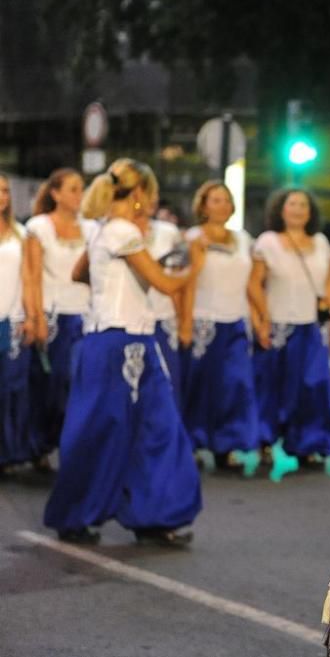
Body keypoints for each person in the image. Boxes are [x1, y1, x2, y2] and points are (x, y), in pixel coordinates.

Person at [43, 159, 204, 546]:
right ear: (137, 195)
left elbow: (78, 273)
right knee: (115, 430)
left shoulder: (100, 230)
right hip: (121, 342)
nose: (152, 202)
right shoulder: (123, 231)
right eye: (150, 195)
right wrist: (194, 267)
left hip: (120, 339)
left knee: (150, 428)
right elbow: (166, 284)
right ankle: (89, 514)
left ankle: (149, 514)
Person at [248, 189, 330, 465]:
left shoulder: (321, 242)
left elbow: (327, 285)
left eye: (304, 205)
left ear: (310, 212)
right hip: (278, 326)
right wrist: (262, 320)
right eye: (292, 204)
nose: (298, 209)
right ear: (281, 210)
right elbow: (254, 284)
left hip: (311, 327)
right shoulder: (267, 242)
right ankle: (264, 440)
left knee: (312, 387)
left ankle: (308, 444)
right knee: (270, 386)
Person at [181, 181, 261, 469]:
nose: (222, 205)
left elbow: (251, 284)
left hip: (236, 320)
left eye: (226, 200)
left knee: (235, 385)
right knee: (199, 386)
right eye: (215, 200)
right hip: (204, 321)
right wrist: (185, 323)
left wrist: (261, 318)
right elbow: (186, 282)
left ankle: (226, 445)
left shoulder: (243, 239)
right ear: (202, 205)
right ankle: (192, 442)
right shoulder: (192, 237)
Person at [24, 168, 95, 470]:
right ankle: (40, 444)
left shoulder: (92, 228)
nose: (79, 195)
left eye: (82, 189)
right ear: (55, 193)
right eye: (73, 189)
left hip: (87, 317)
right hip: (54, 317)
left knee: (81, 387)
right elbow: (32, 276)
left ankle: (74, 448)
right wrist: (36, 316)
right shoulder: (39, 226)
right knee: (52, 386)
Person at [0, 173, 37, 472]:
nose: (2, 196)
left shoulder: (20, 234)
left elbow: (29, 279)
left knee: (10, 389)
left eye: (4, 191)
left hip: (11, 320)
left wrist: (31, 317)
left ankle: (7, 451)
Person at [138, 198, 186, 406]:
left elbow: (175, 281)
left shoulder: (168, 232)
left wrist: (183, 319)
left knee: (167, 385)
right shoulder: (114, 231)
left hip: (163, 317)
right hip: (128, 320)